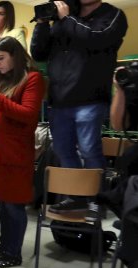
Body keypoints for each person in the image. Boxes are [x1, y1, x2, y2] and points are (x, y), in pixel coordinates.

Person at [31, 0, 127, 217]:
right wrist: (42, 24)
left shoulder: (112, 15)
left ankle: (96, 202)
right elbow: (39, 53)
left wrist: (67, 19)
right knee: (64, 151)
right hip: (59, 99)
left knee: (89, 150)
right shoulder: (65, 15)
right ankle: (75, 198)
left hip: (90, 98)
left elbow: (96, 39)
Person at [0, 36, 46, 268]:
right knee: (3, 202)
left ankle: (13, 253)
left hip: (14, 152)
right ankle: (5, 245)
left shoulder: (33, 78)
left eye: (1, 58)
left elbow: (28, 115)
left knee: (13, 204)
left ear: (15, 55)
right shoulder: (4, 81)